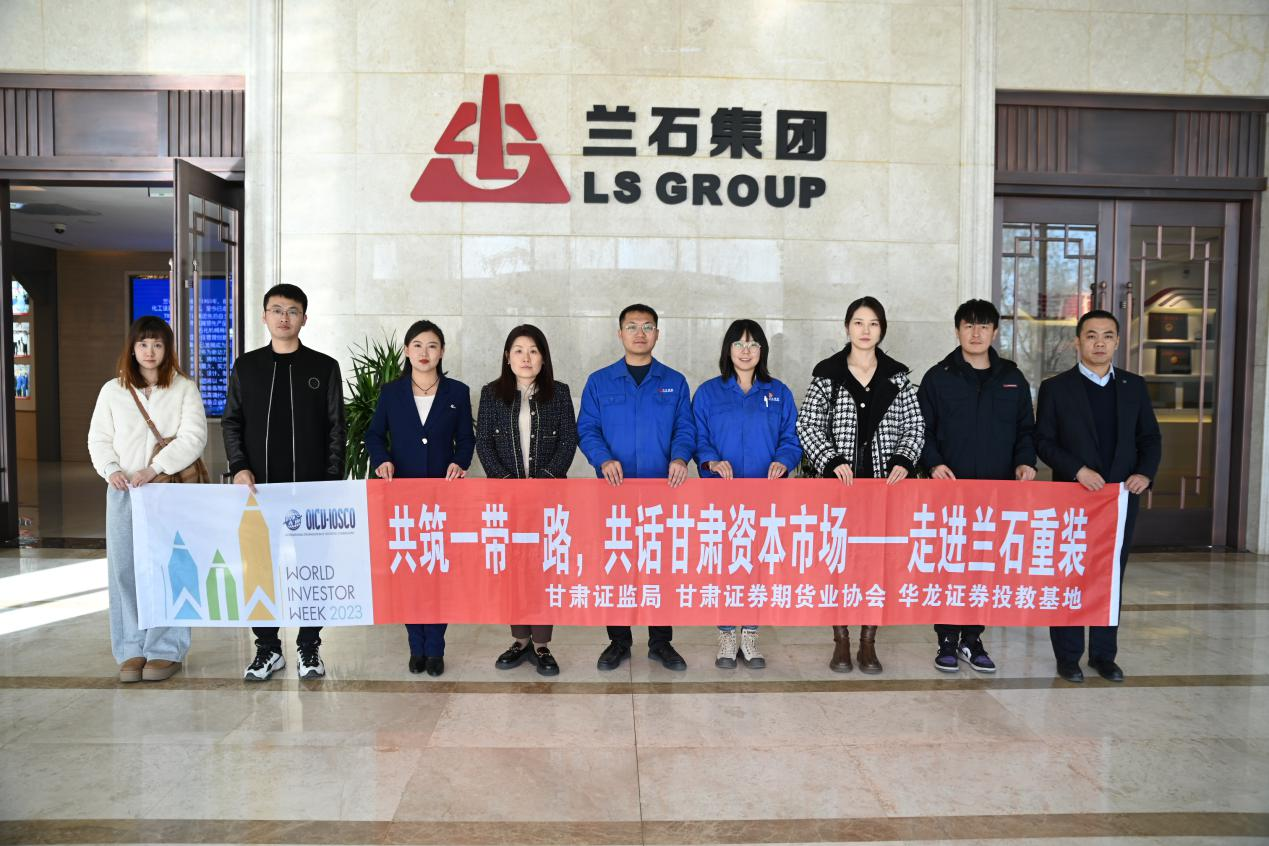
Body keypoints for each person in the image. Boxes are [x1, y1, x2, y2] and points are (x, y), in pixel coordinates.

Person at [223, 283, 345, 682]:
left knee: (313, 568)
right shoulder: (247, 367)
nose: (284, 317)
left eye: (292, 311)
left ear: (304, 319)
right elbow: (232, 422)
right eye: (276, 310)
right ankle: (268, 648)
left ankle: (309, 645)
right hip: (259, 492)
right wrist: (239, 466)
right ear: (264, 316)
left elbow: (336, 429)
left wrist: (330, 482)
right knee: (260, 567)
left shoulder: (323, 367)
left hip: (311, 493)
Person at [797, 296, 923, 674]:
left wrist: (903, 460)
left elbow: (915, 427)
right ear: (847, 327)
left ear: (882, 329)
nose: (865, 330)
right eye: (858, 323)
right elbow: (808, 425)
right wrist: (831, 460)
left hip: (883, 489)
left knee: (876, 564)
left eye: (873, 323)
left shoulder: (898, 377)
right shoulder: (828, 373)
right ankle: (841, 639)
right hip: (839, 489)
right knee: (839, 562)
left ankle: (869, 641)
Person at [1036, 309, 1161, 684]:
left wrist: (1144, 473)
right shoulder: (1056, 388)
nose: (1099, 343)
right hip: (1073, 496)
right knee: (1070, 573)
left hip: (1119, 500)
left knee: (1110, 575)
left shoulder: (1134, 386)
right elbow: (1044, 441)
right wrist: (1077, 469)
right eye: (1091, 336)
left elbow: (1150, 438)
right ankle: (1068, 656)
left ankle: (1104, 656)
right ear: (1078, 342)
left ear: (1117, 342)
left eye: (1107, 336)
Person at [917, 299, 1037, 674]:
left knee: (985, 566)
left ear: (995, 332)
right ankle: (946, 639)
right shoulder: (938, 377)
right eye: (968, 326)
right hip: (949, 491)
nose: (976, 333)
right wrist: (934, 463)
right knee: (950, 564)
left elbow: (1026, 430)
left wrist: (1025, 462)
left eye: (984, 326)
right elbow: (922, 429)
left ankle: (973, 637)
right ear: (957, 331)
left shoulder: (1012, 378)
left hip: (996, 492)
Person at [88, 316, 207, 683]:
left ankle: (166, 648)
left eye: (157, 344)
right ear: (132, 348)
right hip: (124, 491)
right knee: (124, 569)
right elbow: (98, 438)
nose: (150, 351)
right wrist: (111, 470)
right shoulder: (113, 390)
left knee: (171, 567)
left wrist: (154, 469)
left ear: (167, 349)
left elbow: (194, 437)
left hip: (167, 490)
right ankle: (131, 648)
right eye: (143, 344)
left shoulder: (184, 388)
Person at [577, 303, 696, 671]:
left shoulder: (674, 381)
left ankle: (661, 642)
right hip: (614, 492)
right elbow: (587, 429)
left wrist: (680, 458)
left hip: (663, 492)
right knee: (618, 564)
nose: (640, 333)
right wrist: (603, 459)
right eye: (632, 326)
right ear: (620, 334)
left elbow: (685, 427)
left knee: (660, 567)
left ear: (657, 334)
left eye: (647, 326)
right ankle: (618, 641)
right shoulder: (600, 381)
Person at [366, 320, 474, 677]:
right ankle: (416, 645)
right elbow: (374, 435)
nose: (424, 352)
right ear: (407, 351)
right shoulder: (391, 392)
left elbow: (466, 439)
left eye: (432, 346)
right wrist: (382, 461)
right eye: (417, 345)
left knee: (438, 570)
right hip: (404, 496)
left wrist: (460, 462)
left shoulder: (457, 392)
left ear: (442, 352)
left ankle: (436, 648)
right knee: (410, 571)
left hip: (443, 496)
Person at [692, 319, 801, 670]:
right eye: (739, 344)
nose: (746, 351)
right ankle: (727, 634)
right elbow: (699, 437)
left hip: (764, 496)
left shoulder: (778, 392)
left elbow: (791, 438)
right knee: (726, 564)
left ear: (762, 351)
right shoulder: (708, 393)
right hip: (720, 497)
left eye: (753, 344)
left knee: (758, 564)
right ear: (728, 349)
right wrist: (711, 461)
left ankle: (751, 634)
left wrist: (784, 461)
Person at [476, 324, 578, 676]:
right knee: (514, 571)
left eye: (533, 351)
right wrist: (508, 485)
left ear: (543, 358)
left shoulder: (559, 393)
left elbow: (568, 441)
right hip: (506, 501)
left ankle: (542, 645)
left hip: (548, 500)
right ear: (507, 357)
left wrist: (544, 482)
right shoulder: (491, 394)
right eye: (518, 350)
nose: (526, 357)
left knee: (544, 570)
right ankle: (519, 640)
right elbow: (484, 443)